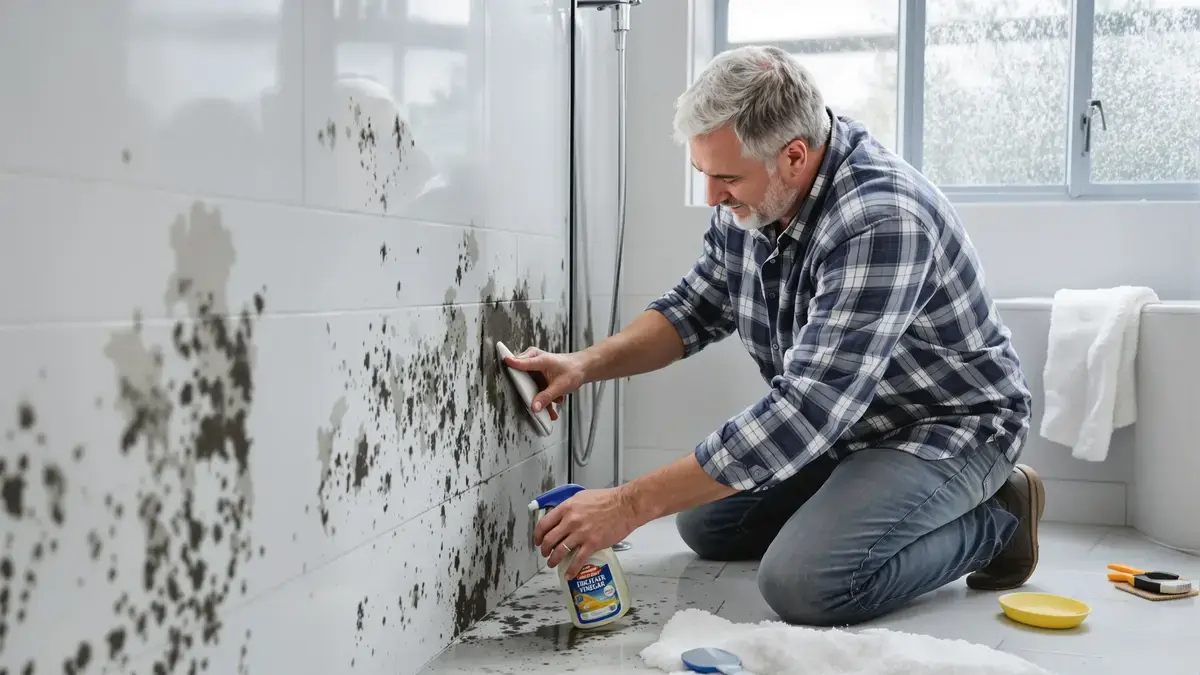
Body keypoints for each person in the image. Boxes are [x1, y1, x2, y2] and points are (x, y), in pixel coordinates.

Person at [504, 45, 1041, 627]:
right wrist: (586, 363)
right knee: (707, 524)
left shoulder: (881, 219)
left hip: (945, 428)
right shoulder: (754, 202)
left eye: (726, 178)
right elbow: (693, 310)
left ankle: (1001, 517)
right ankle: (859, 500)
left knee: (804, 584)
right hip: (849, 428)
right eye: (704, 174)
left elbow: (808, 410)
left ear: (793, 156)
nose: (712, 197)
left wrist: (626, 505)